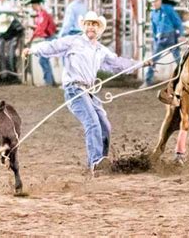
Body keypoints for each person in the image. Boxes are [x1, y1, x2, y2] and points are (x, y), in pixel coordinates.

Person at [22, 11, 148, 175]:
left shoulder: (101, 50)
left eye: (94, 25)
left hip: (88, 92)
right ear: (84, 26)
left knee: (105, 126)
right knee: (92, 122)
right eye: (88, 24)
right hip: (74, 89)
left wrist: (140, 64)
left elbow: (117, 63)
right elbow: (52, 47)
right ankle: (95, 162)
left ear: (98, 29)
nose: (91, 27)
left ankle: (102, 161)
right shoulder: (73, 41)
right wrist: (32, 50)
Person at [144, 0, 184, 86]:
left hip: (171, 38)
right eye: (152, 2)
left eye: (155, 1)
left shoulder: (168, 9)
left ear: (159, 1)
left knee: (178, 59)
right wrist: (155, 39)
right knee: (152, 60)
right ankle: (148, 80)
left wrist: (180, 34)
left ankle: (185, 78)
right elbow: (154, 28)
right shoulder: (153, 13)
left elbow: (177, 22)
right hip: (160, 39)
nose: (154, 3)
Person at [26, 0, 57, 86]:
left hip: (50, 38)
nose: (32, 7)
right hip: (49, 38)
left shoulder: (43, 14)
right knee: (44, 60)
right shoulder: (42, 14)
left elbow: (41, 28)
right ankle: (51, 81)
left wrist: (31, 38)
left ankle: (48, 81)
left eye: (32, 5)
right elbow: (41, 27)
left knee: (43, 60)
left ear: (35, 5)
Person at [0, 0, 23, 82]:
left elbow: (17, 12)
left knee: (10, 54)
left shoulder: (9, 5)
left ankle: (12, 75)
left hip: (10, 30)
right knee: (0, 53)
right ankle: (3, 75)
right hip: (1, 30)